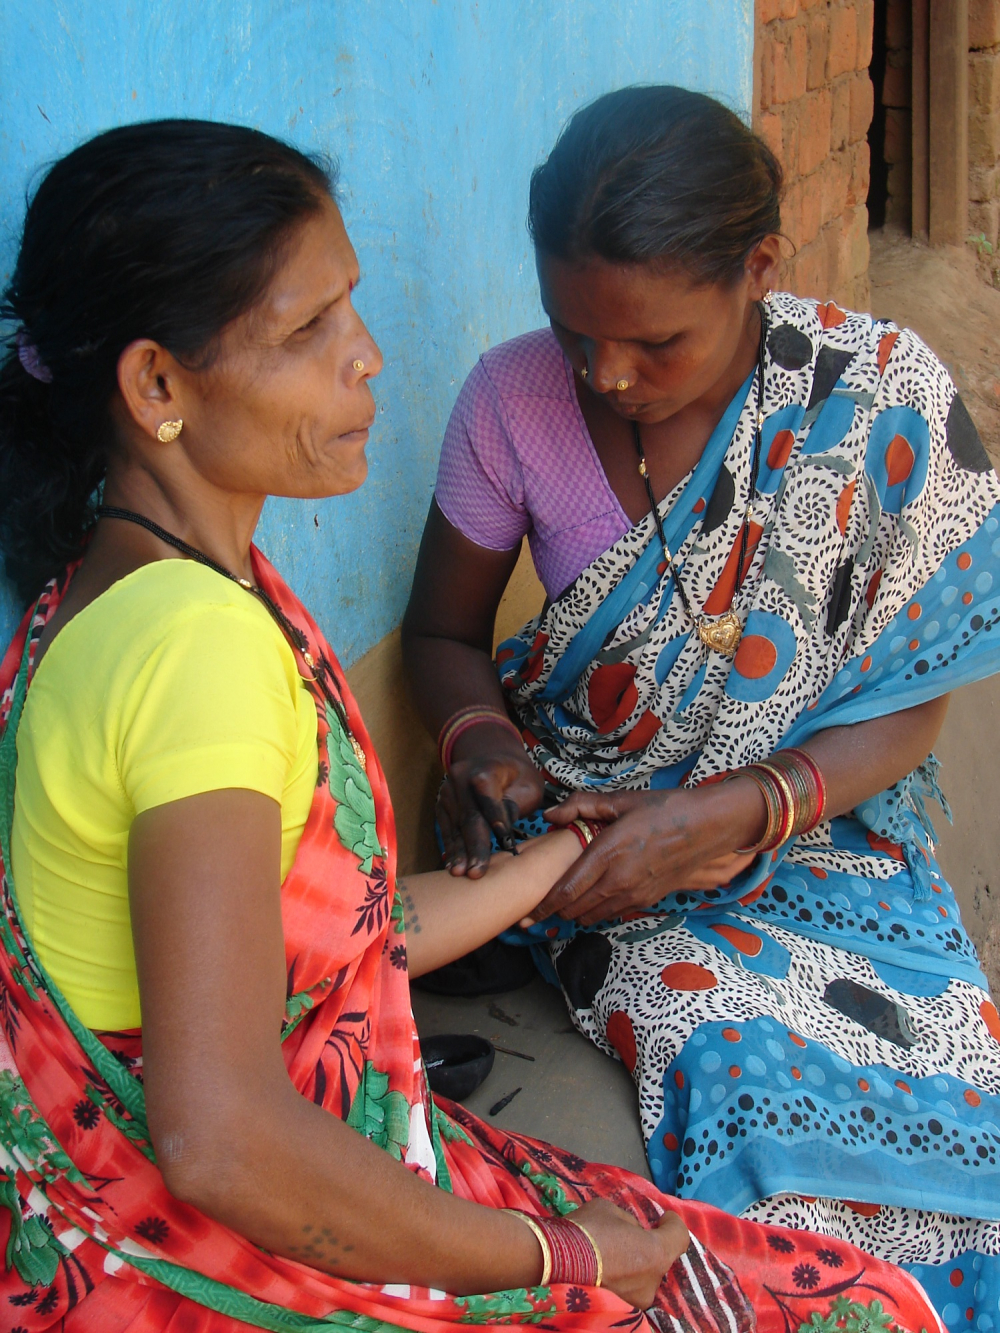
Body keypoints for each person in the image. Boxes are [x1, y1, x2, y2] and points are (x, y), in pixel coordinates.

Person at [0, 118, 945, 1333]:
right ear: (157, 386)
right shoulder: (200, 656)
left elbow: (342, 947)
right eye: (309, 332)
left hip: (152, 1194)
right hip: (199, 1260)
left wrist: (571, 843)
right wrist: (555, 1256)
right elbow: (222, 1139)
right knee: (847, 1304)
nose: (370, 357)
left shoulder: (129, 589)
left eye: (350, 308)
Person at [402, 85, 1000, 1332]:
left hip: (826, 829)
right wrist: (485, 744)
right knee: (732, 1067)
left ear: (758, 270)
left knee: (951, 1080)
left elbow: (912, 705)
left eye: (654, 343)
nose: (606, 373)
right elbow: (444, 634)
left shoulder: (877, 401)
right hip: (605, 839)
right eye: (574, 332)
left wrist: (743, 807)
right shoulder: (511, 400)